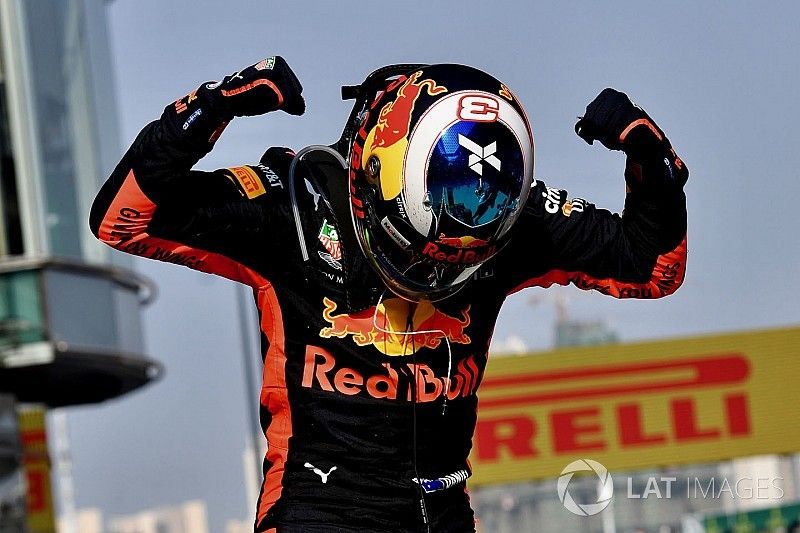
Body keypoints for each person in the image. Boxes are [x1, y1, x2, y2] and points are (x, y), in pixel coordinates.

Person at [90, 56, 687, 532]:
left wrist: (649, 156)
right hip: (317, 514)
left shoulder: (519, 221)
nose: (429, 272)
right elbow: (121, 218)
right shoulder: (292, 207)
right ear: (375, 173)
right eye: (412, 246)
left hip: (443, 511)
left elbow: (653, 268)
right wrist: (207, 110)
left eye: (461, 254)